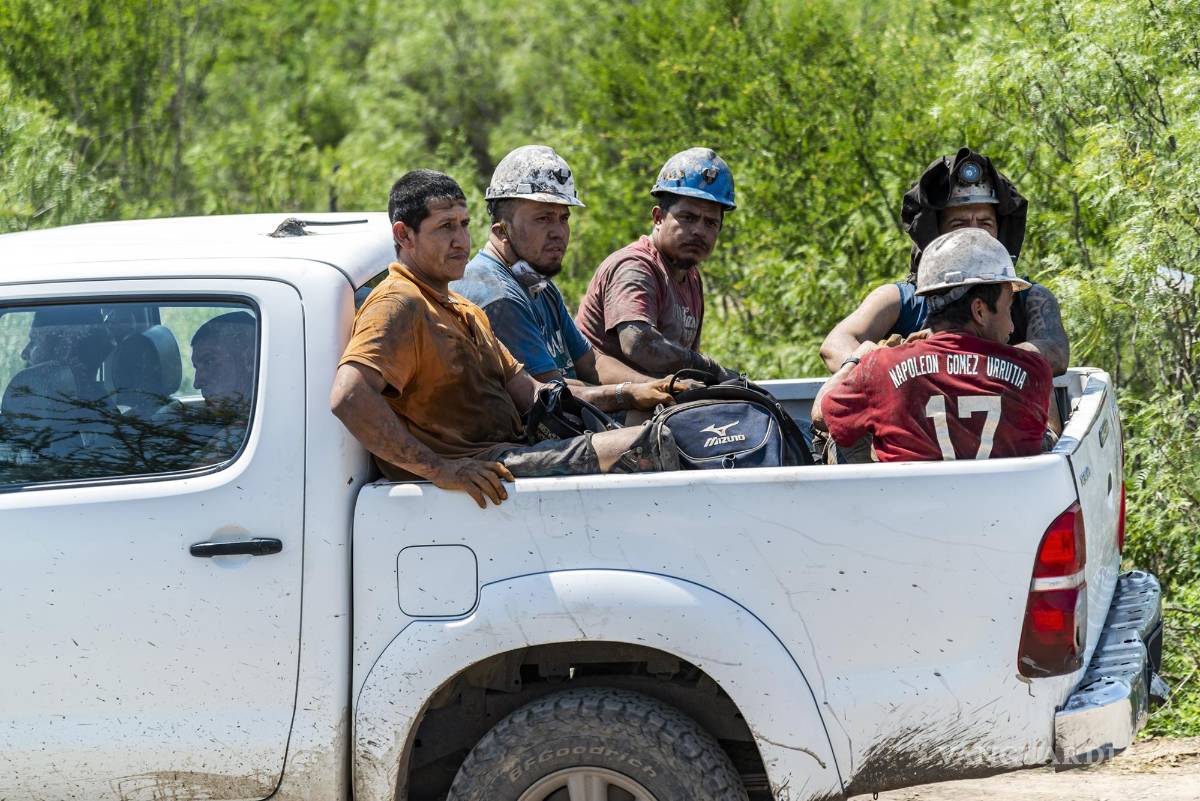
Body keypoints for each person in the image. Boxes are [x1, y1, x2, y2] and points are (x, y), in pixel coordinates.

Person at [329, 170, 678, 509]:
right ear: (404, 235)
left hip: (511, 449)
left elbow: (533, 393)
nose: (461, 241)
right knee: (647, 445)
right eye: (445, 227)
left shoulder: (463, 308)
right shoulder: (399, 303)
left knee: (666, 422)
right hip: (480, 466)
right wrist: (440, 469)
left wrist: (629, 393)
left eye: (464, 225)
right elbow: (349, 395)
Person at [451, 145, 677, 413]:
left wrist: (661, 386)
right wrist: (628, 393)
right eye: (544, 218)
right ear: (501, 231)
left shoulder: (536, 283)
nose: (558, 232)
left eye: (563, 218)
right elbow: (552, 397)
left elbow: (590, 362)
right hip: (517, 441)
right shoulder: (497, 295)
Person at [819, 147, 1069, 376]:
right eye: (959, 224)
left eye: (985, 223)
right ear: (936, 234)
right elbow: (835, 345)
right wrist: (892, 359)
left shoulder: (1027, 296)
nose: (974, 233)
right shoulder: (901, 300)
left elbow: (1054, 353)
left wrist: (958, 357)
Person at [812, 229, 1053, 463]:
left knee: (847, 429)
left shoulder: (881, 366)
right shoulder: (1033, 370)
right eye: (1008, 308)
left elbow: (820, 416)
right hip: (1006, 502)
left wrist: (857, 358)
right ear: (979, 310)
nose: (1012, 327)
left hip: (908, 503)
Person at [575, 147, 741, 381]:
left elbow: (683, 362)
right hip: (605, 407)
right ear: (658, 218)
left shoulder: (690, 276)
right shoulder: (635, 267)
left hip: (655, 401)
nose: (699, 231)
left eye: (711, 223)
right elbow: (638, 344)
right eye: (688, 218)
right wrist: (712, 369)